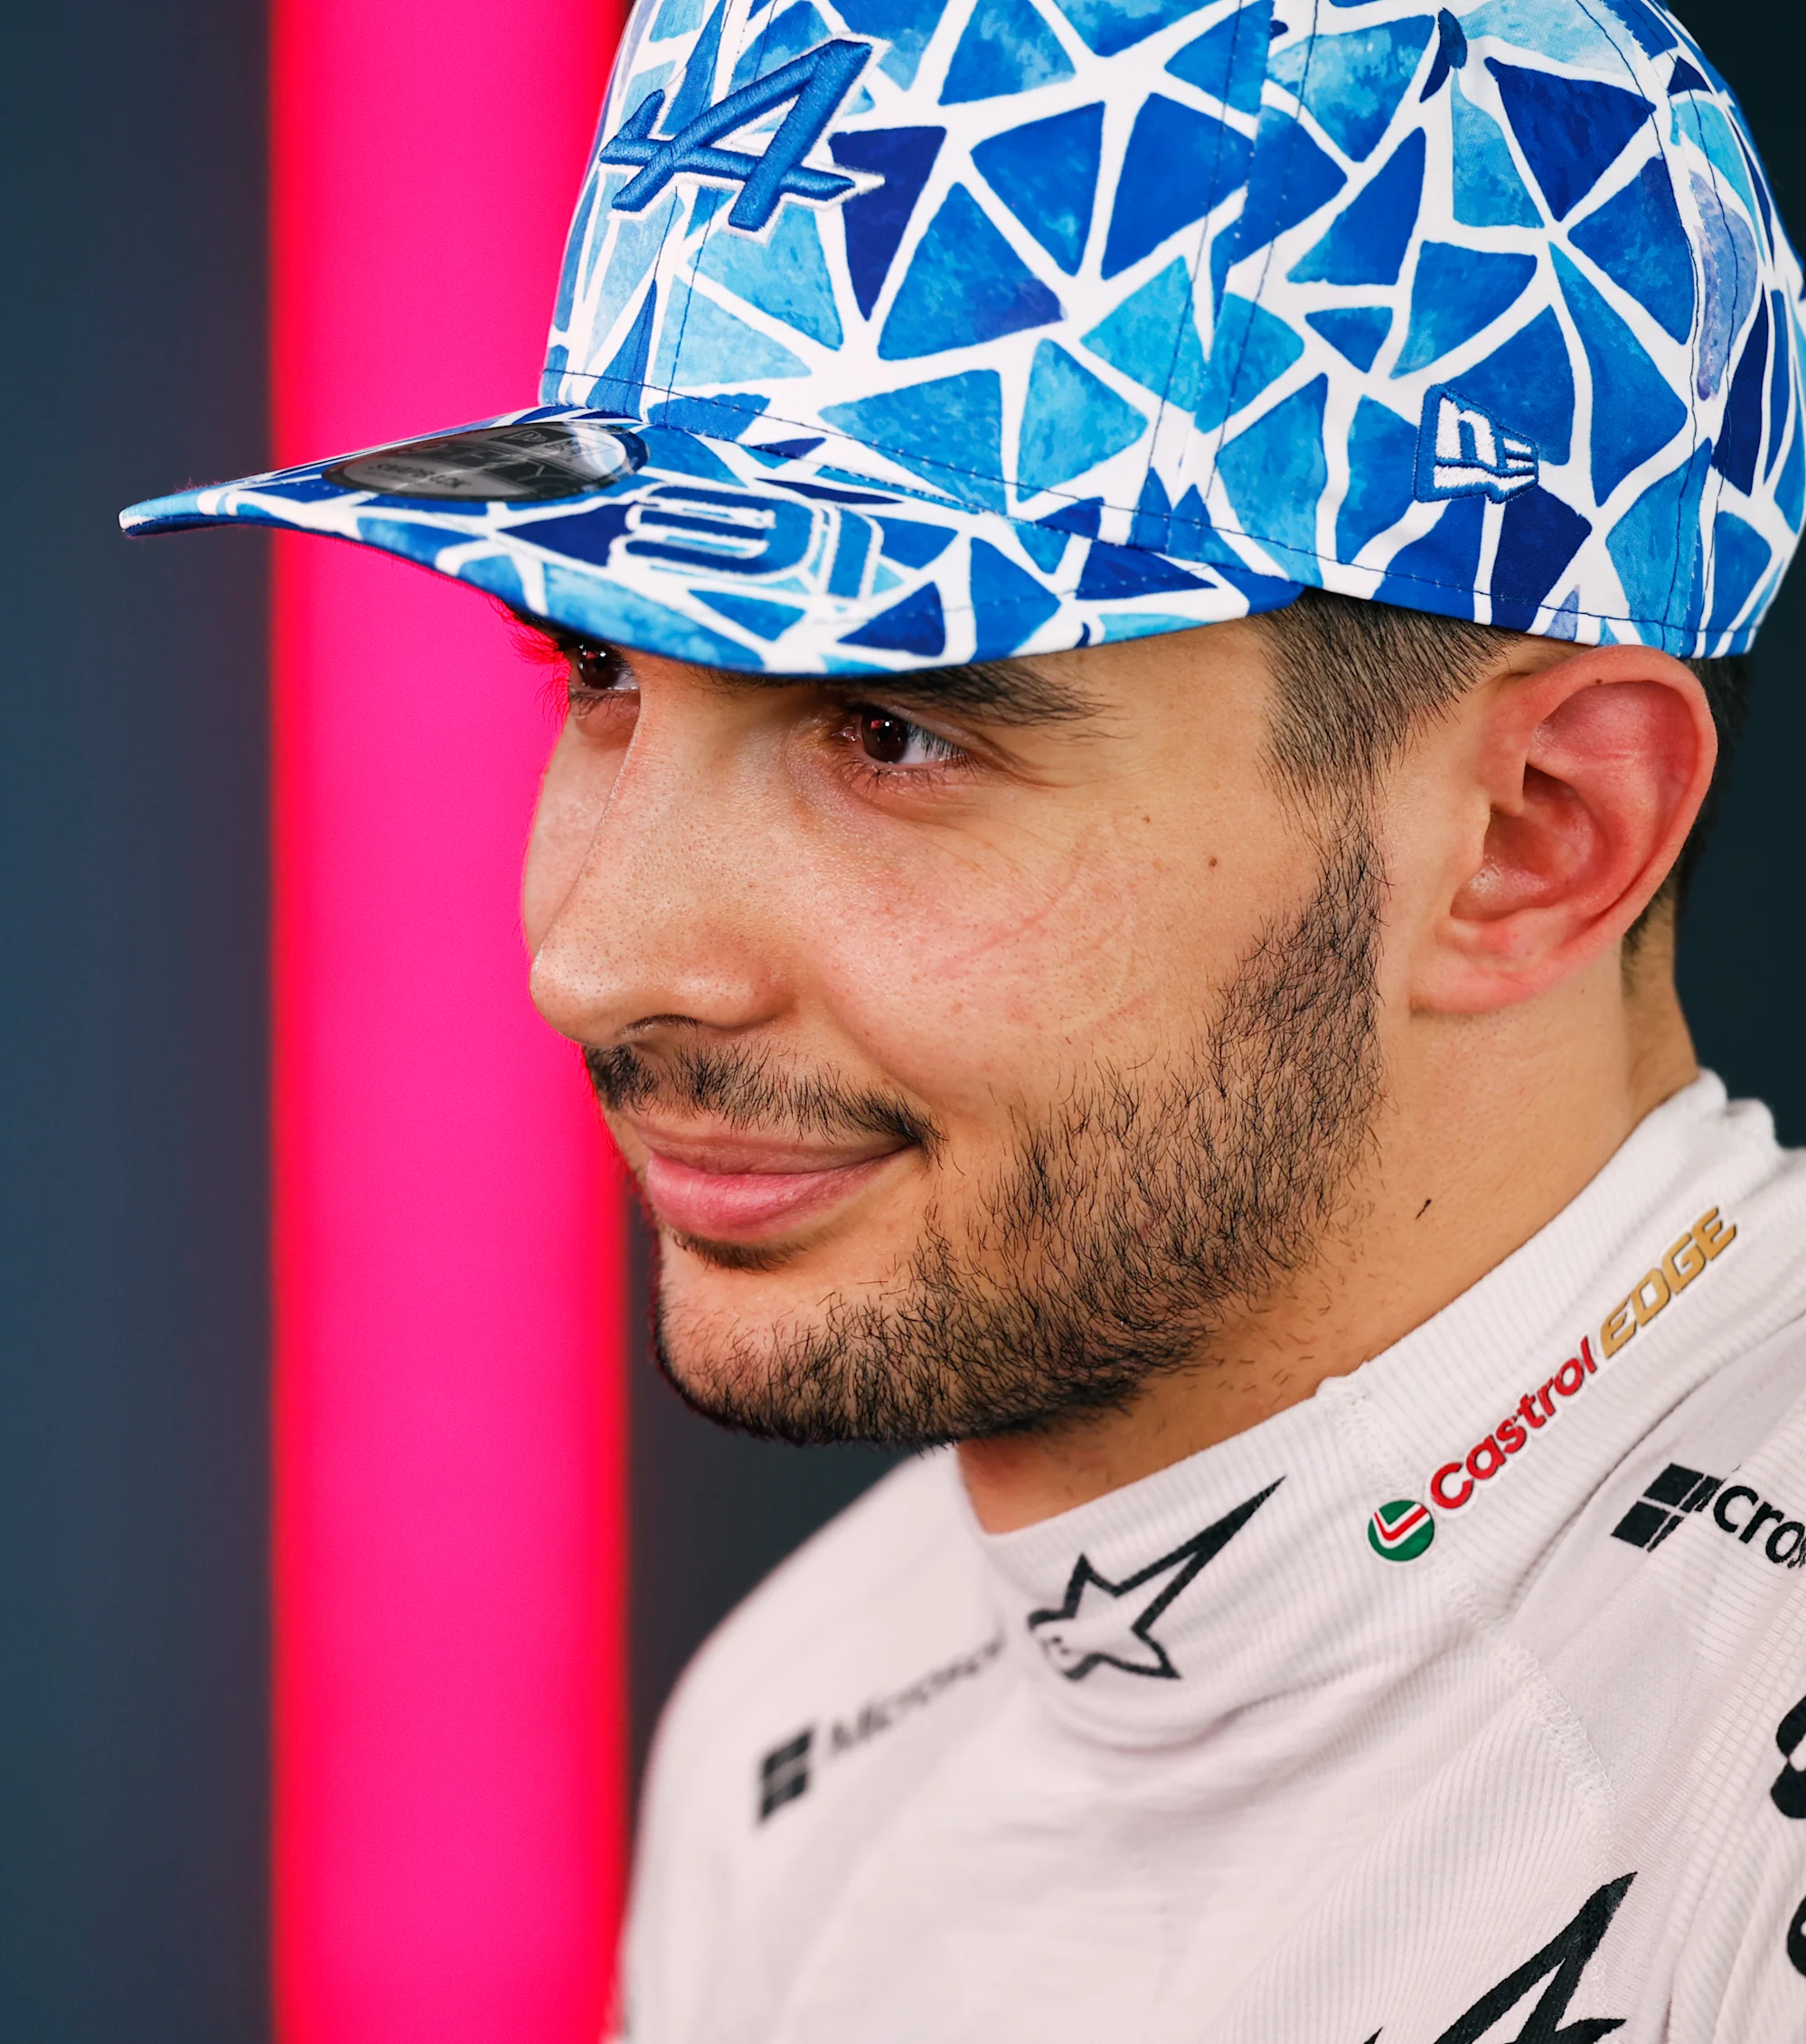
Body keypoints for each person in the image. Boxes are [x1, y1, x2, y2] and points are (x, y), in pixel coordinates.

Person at [125, 0, 1806, 2034]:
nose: (597, 953)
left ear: (1534, 836)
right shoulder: (803, 1717)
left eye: (893, 725)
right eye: (597, 676)